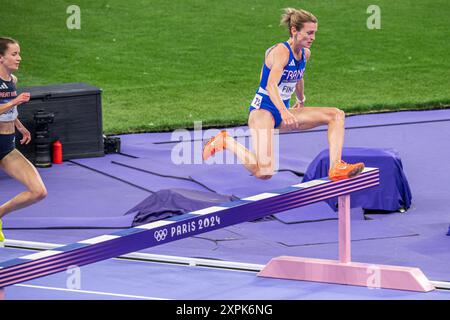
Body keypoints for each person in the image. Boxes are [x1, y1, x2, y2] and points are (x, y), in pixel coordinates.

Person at [203, 8, 364, 181]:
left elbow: (298, 77)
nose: (313, 38)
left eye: (314, 33)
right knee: (265, 172)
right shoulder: (281, 51)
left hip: (282, 110)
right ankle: (226, 141)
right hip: (262, 111)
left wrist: (301, 99)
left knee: (336, 115)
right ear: (294, 30)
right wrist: (284, 112)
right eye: (309, 33)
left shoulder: (305, 54)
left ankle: (336, 167)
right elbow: (271, 85)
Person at [0, 37, 47, 244]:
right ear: (0, 58)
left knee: (38, 192)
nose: (19, 58)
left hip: (6, 145)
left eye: (18, 53)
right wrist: (15, 101)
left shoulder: (13, 81)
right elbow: (8, 104)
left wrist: (19, 126)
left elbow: (8, 109)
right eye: (14, 54)